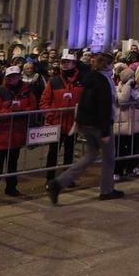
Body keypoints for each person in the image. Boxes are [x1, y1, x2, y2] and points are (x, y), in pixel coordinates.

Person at [47, 49, 123, 203]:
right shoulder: (104, 82)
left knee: (90, 155)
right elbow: (103, 106)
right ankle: (106, 190)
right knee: (109, 158)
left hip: (85, 123)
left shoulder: (90, 77)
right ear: (108, 65)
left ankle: (58, 183)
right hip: (99, 124)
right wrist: (105, 131)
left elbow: (83, 101)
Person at [0, 65, 36, 201]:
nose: (12, 79)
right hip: (1, 133)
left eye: (15, 76)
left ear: (19, 76)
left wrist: (20, 113)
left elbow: (33, 105)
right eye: (10, 76)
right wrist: (14, 113)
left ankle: (11, 187)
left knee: (13, 162)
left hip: (17, 132)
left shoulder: (26, 91)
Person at [40, 49, 83, 183]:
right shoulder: (54, 81)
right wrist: (50, 115)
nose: (65, 64)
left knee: (69, 152)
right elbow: (44, 101)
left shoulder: (81, 81)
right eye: (63, 62)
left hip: (73, 123)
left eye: (68, 62)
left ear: (74, 63)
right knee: (53, 152)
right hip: (56, 123)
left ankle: (67, 178)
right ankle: (50, 179)